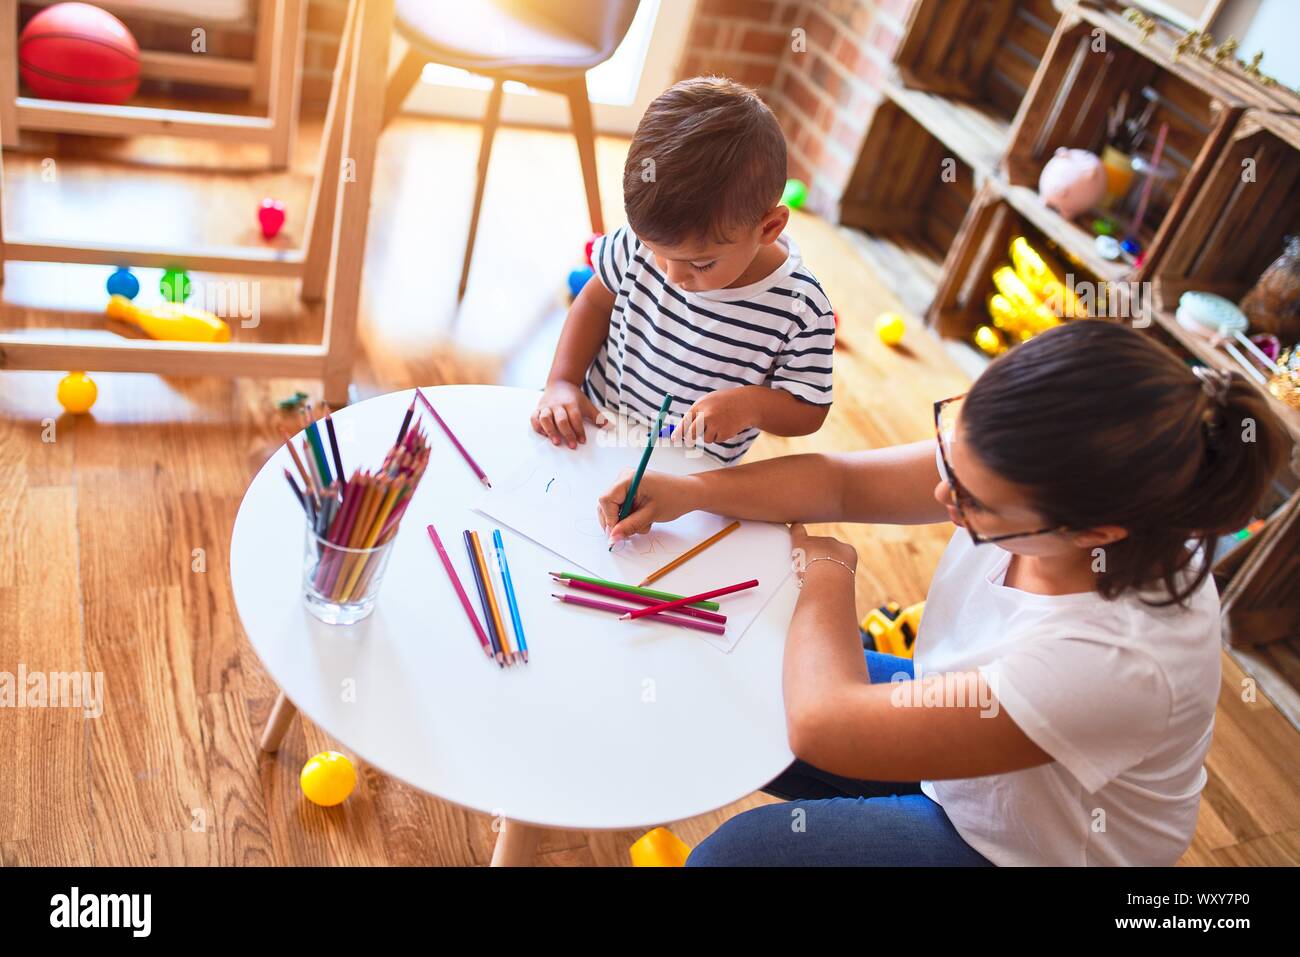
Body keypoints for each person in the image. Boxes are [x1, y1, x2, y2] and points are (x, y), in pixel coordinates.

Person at [597, 321, 1287, 865]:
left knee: (731, 859)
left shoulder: (1115, 659)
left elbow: (823, 723)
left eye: (971, 500)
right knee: (737, 676)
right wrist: (688, 490)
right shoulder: (1033, 460)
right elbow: (840, 482)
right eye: (950, 451)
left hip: (1022, 849)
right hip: (977, 739)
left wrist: (829, 573)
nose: (939, 492)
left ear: (1092, 531)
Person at [532, 76, 836, 464]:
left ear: (769, 228)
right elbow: (593, 302)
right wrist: (561, 382)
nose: (672, 275)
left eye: (701, 263)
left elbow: (809, 408)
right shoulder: (640, 243)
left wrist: (751, 405)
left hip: (692, 478)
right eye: (657, 252)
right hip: (594, 433)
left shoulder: (801, 307)